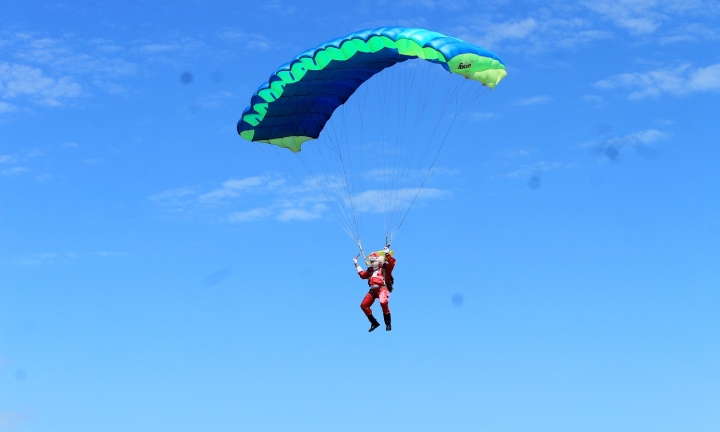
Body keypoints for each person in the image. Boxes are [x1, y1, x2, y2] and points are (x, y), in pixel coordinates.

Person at [353, 245, 396, 332]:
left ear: (378, 260)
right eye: (371, 260)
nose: (372, 261)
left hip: (382, 289)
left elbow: (391, 264)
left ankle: (388, 323)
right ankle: (374, 322)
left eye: (374, 259)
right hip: (372, 291)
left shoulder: (384, 268)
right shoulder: (370, 270)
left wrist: (387, 254)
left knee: (383, 302)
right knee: (364, 305)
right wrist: (356, 264)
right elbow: (362, 275)